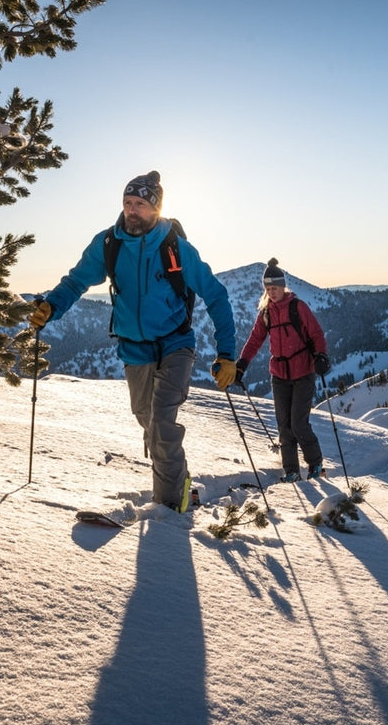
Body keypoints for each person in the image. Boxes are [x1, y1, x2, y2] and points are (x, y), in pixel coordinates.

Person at [29, 170, 237, 511]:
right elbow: (76, 281)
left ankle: (171, 509)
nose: (132, 210)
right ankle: (180, 481)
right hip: (134, 350)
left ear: (155, 208)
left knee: (161, 423)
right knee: (147, 419)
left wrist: (227, 354)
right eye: (128, 203)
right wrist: (51, 307)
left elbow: (216, 296)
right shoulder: (108, 244)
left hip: (175, 344)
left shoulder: (175, 247)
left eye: (140, 204)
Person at [235, 258, 330, 482]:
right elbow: (255, 339)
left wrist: (321, 356)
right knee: (284, 426)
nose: (272, 292)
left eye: (275, 288)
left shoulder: (298, 308)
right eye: (268, 289)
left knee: (299, 424)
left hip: (303, 372)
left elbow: (316, 333)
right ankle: (291, 471)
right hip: (279, 375)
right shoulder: (266, 313)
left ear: (283, 286)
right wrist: (242, 364)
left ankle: (315, 464)